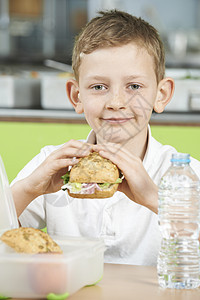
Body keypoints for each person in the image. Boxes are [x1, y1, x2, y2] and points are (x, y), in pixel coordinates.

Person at [11, 10, 200, 266]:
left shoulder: (184, 175)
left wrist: (155, 198)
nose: (116, 103)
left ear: (161, 94)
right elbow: (6, 237)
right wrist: (28, 189)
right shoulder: (51, 164)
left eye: (134, 86)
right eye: (99, 87)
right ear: (77, 96)